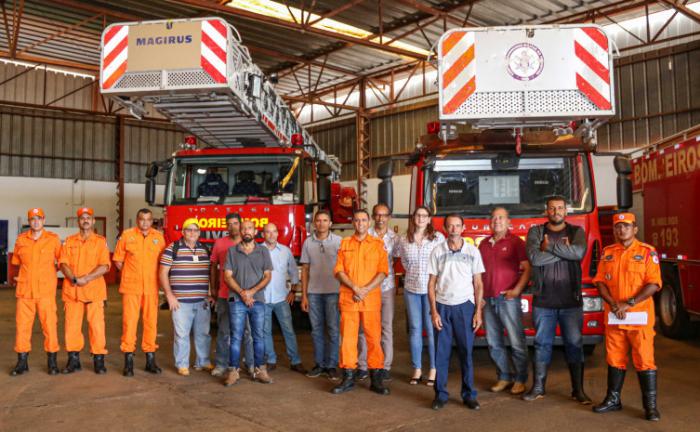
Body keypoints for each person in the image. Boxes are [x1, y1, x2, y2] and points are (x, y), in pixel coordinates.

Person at [592, 213, 662, 421]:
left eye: (626, 226)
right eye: (617, 227)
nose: (621, 230)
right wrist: (614, 304)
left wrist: (628, 303)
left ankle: (650, 407)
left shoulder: (647, 253)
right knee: (614, 359)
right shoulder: (608, 253)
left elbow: (653, 284)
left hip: (639, 318)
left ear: (635, 229)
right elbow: (600, 282)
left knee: (645, 360)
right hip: (615, 318)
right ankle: (613, 400)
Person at [523, 195, 591, 404]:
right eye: (552, 209)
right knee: (542, 344)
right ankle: (538, 387)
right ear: (547, 211)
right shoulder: (536, 232)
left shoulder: (576, 232)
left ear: (566, 211)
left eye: (560, 208)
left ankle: (578, 390)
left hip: (571, 302)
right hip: (544, 302)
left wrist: (549, 248)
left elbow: (578, 252)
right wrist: (565, 252)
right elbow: (534, 258)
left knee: (574, 344)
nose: (556, 212)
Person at [428, 214, 484, 411]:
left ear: (463, 228)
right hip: (443, 307)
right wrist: (434, 312)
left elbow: (478, 283)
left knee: (466, 352)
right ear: (445, 228)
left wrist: (477, 312)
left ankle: (469, 395)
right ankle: (440, 395)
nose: (454, 229)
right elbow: (431, 283)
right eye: (450, 226)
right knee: (441, 354)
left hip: (465, 307)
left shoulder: (473, 252)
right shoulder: (437, 251)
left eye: (457, 225)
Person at [331, 209, 389, 395]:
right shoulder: (345, 243)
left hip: (370, 299)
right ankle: (348, 377)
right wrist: (355, 288)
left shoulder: (378, 244)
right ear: (353, 223)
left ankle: (376, 379)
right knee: (348, 339)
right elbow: (339, 271)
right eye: (357, 220)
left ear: (369, 222)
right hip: (349, 298)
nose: (360, 223)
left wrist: (365, 290)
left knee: (374, 338)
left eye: (364, 220)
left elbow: (383, 272)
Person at [478, 207, 531, 395]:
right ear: (489, 222)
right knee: (494, 342)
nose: (497, 221)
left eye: (501, 218)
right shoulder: (483, 244)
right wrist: (480, 298)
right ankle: (504, 377)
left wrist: (517, 290)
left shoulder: (516, 242)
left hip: (507, 299)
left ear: (509, 222)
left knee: (517, 341)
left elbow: (527, 268)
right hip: (488, 300)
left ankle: (520, 379)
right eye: (493, 218)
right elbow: (478, 274)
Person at [113, 208, 166, 377]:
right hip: (131, 288)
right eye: (142, 219)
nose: (145, 222)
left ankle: (150, 359)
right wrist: (130, 274)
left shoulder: (158, 237)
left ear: (152, 221)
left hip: (151, 288)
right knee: (130, 322)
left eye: (148, 219)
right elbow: (118, 260)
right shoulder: (127, 235)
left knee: (151, 323)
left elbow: (163, 262)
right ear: (137, 220)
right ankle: (128, 361)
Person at [58, 207, 111, 375]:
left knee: (97, 327)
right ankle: (73, 360)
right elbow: (63, 264)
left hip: (94, 291)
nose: (85, 220)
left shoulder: (100, 241)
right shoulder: (69, 241)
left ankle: (98, 360)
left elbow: (105, 266)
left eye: (88, 218)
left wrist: (86, 278)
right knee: (72, 327)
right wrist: (74, 278)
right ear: (78, 221)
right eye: (82, 218)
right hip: (73, 291)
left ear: (93, 221)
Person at [10, 208, 61, 376]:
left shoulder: (53, 240)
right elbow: (17, 262)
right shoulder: (21, 241)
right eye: (33, 219)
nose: (36, 222)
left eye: (39, 219)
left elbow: (62, 262)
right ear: (29, 222)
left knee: (50, 328)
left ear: (44, 220)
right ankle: (22, 362)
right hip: (25, 293)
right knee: (22, 328)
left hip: (46, 292)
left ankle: (52, 362)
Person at [159, 218, 213, 376]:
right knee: (181, 335)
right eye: (189, 230)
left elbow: (208, 273)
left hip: (202, 301)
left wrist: (210, 293)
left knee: (203, 333)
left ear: (199, 233)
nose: (192, 233)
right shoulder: (172, 248)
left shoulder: (204, 249)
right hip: (180, 302)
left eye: (195, 230)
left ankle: (202, 361)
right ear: (183, 232)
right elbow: (162, 273)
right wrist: (169, 295)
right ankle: (182, 364)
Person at [397, 206, 444, 386]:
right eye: (418, 215)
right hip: (411, 289)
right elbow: (404, 262)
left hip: (431, 290)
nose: (421, 218)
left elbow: (442, 262)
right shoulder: (404, 239)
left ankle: (433, 368)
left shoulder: (438, 238)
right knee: (415, 329)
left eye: (424, 215)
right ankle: (417, 368)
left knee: (432, 329)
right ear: (413, 218)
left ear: (429, 218)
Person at [223, 220, 273, 386]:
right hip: (237, 300)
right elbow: (228, 276)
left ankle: (260, 370)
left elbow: (267, 276)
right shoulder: (232, 251)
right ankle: (233, 372)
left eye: (249, 228)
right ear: (240, 230)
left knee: (258, 337)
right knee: (235, 337)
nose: (246, 231)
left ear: (255, 231)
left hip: (257, 300)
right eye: (243, 228)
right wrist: (243, 293)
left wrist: (251, 292)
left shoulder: (263, 251)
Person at [357, 203, 399, 381]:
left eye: (384, 215)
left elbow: (395, 260)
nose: (381, 218)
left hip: (386, 288)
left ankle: (385, 366)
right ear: (373, 217)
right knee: (363, 328)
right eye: (377, 215)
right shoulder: (366, 235)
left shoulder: (395, 239)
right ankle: (363, 365)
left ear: (389, 217)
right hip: (366, 289)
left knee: (386, 327)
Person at [300, 210, 342, 380]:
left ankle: (332, 365)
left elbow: (345, 268)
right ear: (314, 223)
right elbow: (305, 270)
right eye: (318, 220)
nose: (322, 223)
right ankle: (319, 364)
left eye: (325, 220)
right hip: (314, 293)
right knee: (316, 331)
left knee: (333, 330)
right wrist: (304, 295)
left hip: (334, 292)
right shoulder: (308, 243)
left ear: (330, 223)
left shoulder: (339, 242)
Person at [261, 223, 306, 374]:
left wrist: (293, 291)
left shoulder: (285, 251)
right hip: (263, 300)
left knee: (288, 330)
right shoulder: (258, 251)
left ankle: (295, 361)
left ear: (277, 234)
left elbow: (294, 272)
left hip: (282, 299)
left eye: (274, 231)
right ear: (263, 235)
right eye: (268, 232)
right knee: (265, 331)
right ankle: (270, 360)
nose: (271, 235)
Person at [210, 213, 242, 377]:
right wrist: (213, 288)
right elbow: (213, 266)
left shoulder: (248, 243)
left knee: (248, 333)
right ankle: (221, 364)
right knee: (224, 331)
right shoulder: (220, 243)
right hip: (224, 294)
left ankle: (249, 364)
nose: (232, 227)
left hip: (244, 297)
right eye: (229, 224)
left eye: (235, 223)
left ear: (240, 224)